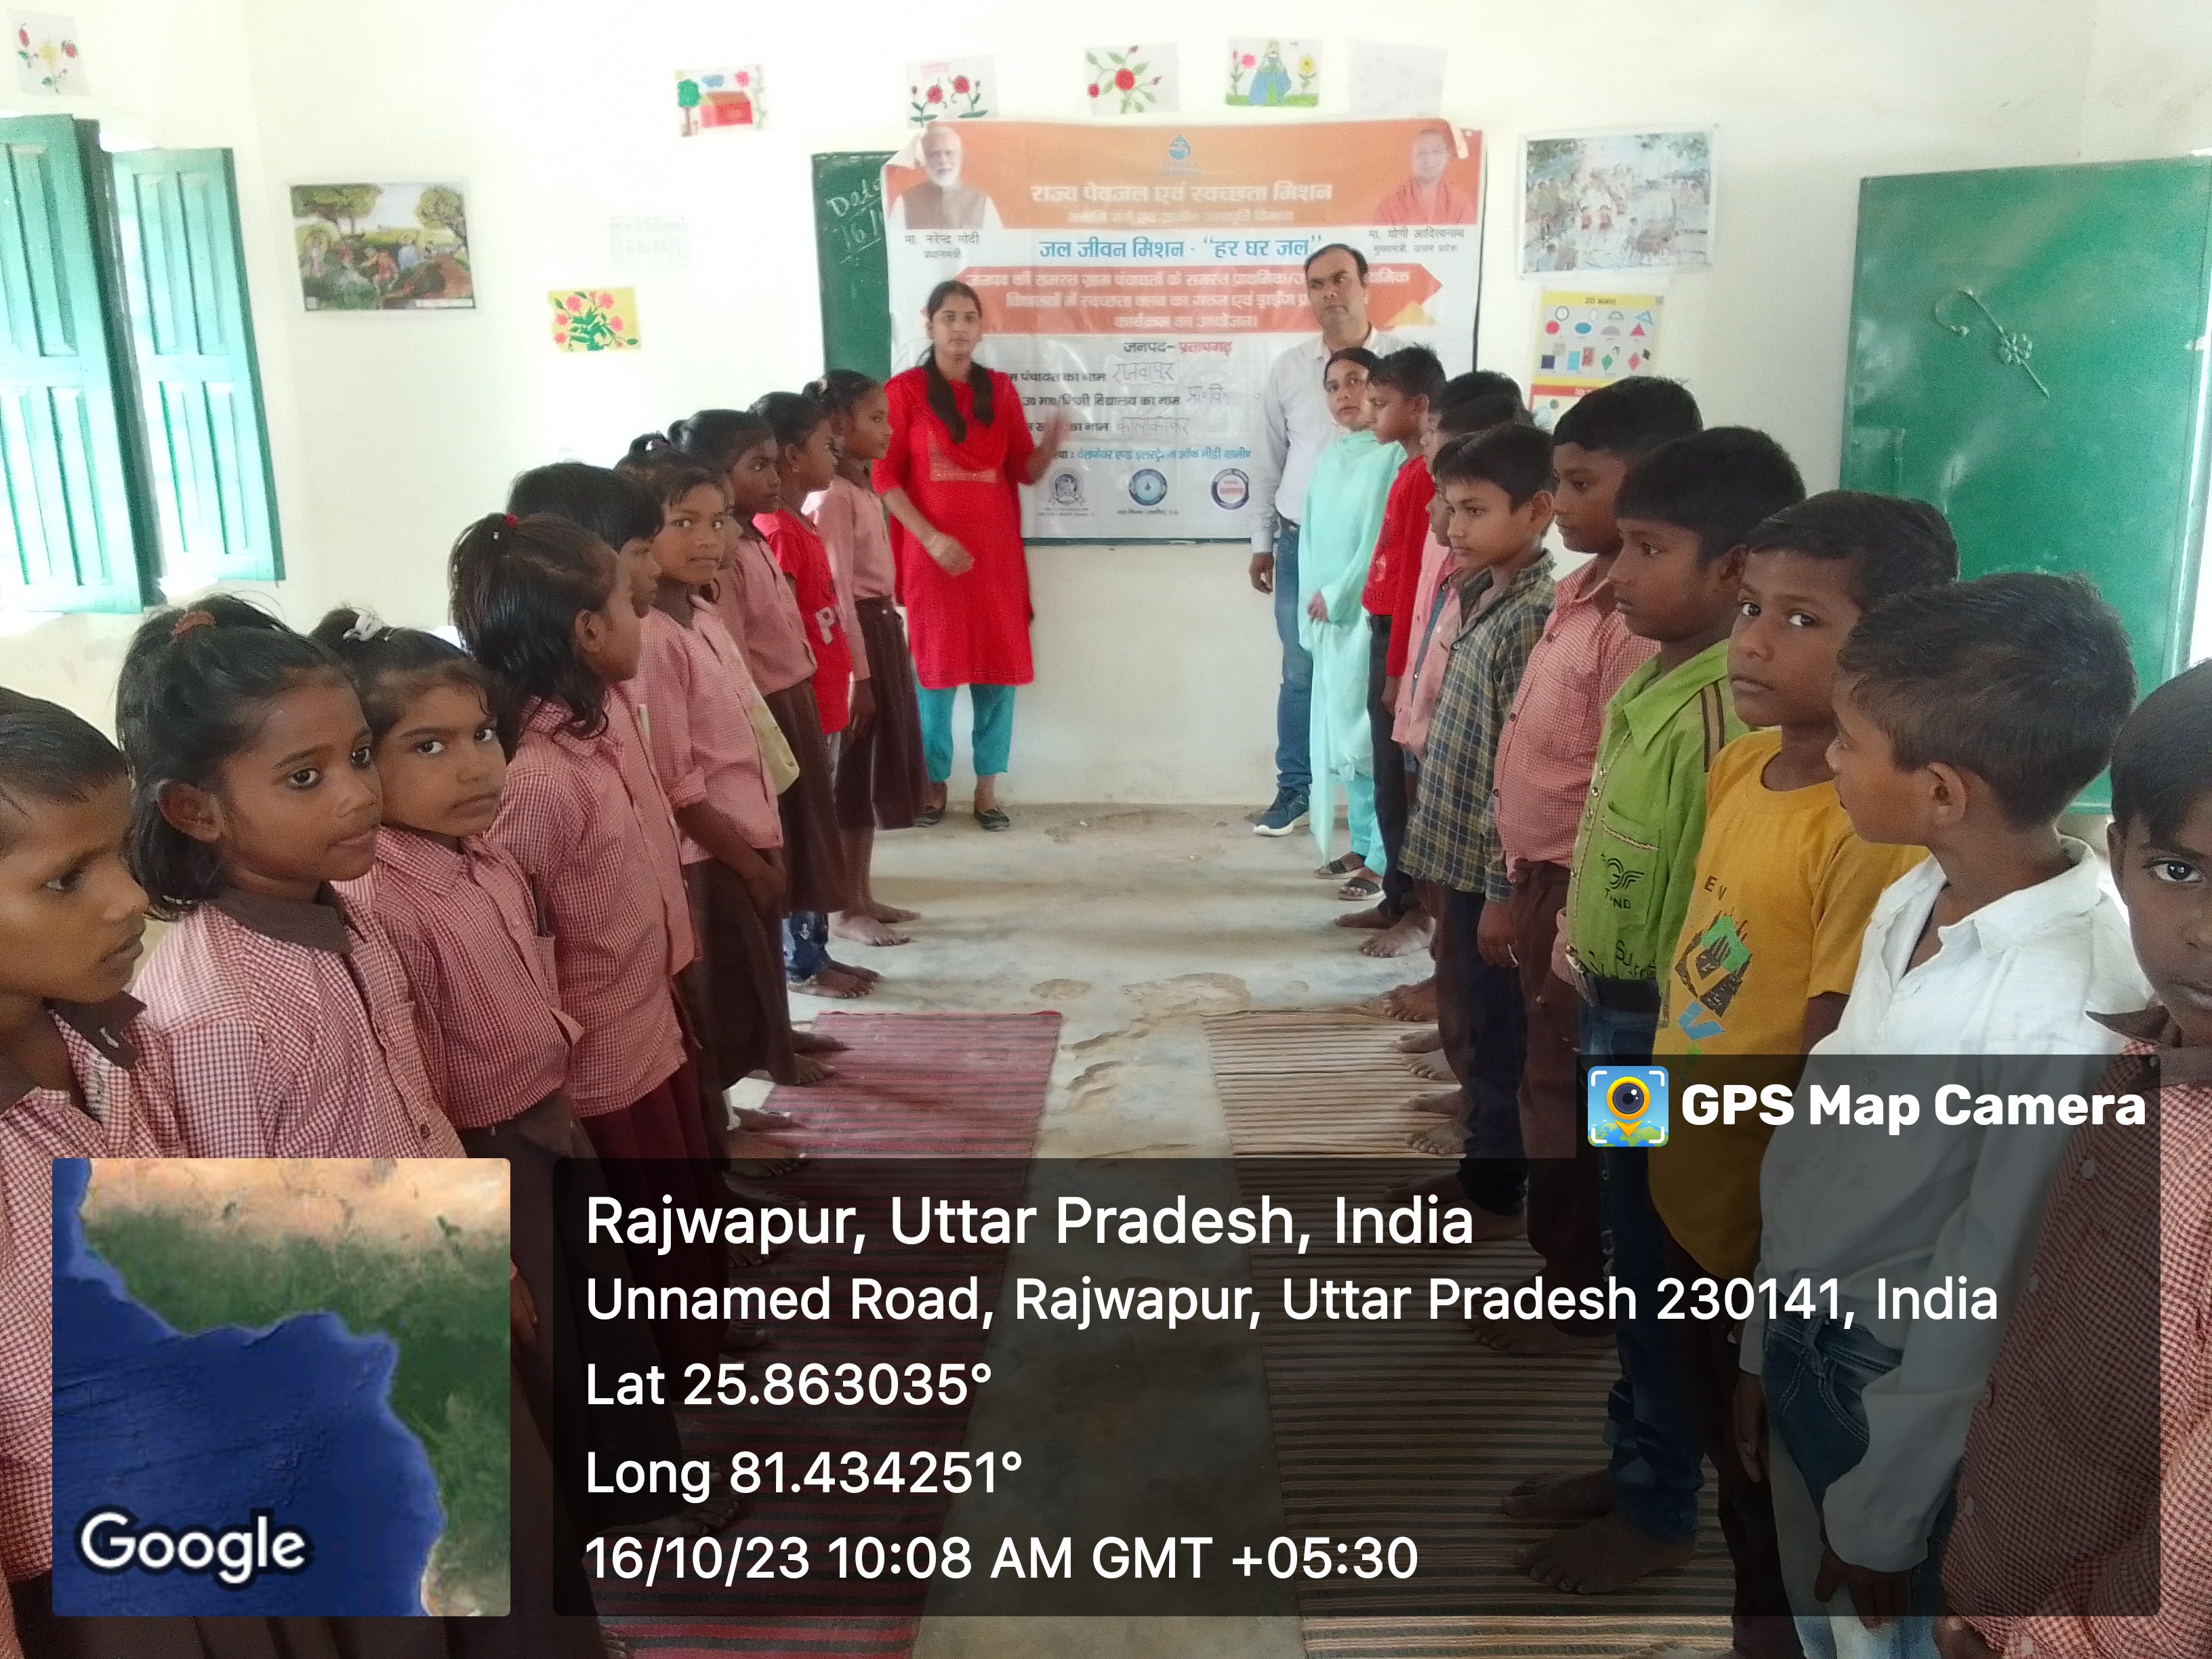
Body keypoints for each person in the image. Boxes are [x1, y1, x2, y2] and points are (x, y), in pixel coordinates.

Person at [1736, 573, 2144, 1656]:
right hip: (1807, 1332)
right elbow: (1817, 1143)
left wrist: (1887, 1511)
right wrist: (1762, 1343)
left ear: (1944, 792)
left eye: (1852, 742)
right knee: (1818, 1613)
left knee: (1877, 1624)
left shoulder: (2071, 1010)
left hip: (1895, 1392)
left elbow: (1988, 1285)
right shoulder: (1915, 893)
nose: (1831, 757)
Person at [311, 611, 715, 1551]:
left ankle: (641, 1491)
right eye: (428, 747)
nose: (473, 767)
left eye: (483, 735)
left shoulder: (485, 857)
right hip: (485, 1155)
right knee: (547, 1349)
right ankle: (593, 1521)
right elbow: (413, 1080)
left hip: (547, 1118)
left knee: (601, 1322)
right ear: (365, 764)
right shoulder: (381, 903)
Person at [1643, 493, 1959, 1659]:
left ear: (1891, 649)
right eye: (1747, 610)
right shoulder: (1738, 767)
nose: (1752, 643)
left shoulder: (1862, 827)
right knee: (1702, 1423)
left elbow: (1821, 1076)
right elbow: (1699, 972)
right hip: (1678, 1162)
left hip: (1761, 1224)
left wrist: (1772, 1269)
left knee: (1765, 1477)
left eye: (1799, 619)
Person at [1512, 426, 1805, 1598]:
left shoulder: (1723, 715)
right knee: (1631, 1247)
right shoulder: (1650, 678)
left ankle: (1658, 1502)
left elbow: (1709, 908)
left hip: (1663, 1039)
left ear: (1729, 568)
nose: (1619, 571)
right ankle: (1636, 1454)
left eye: (1647, 548)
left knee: (1659, 1263)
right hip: (1614, 1018)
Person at [1937, 660, 2212, 1659]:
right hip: (2009, 1566)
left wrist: (2046, 1645)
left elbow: (2191, 1576)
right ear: (2119, 852)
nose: (2205, 932)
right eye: (2177, 871)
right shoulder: (2137, 1056)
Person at [450, 510, 755, 1372]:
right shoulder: (537, 779)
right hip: (598, 1058)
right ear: (588, 630)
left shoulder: (593, 727)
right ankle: (673, 1366)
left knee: (681, 1209)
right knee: (643, 1230)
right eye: (627, 601)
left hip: (645, 1020)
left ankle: (701, 1338)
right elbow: (512, 931)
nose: (642, 613)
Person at [1473, 375, 1697, 1357]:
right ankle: (1571, 1271)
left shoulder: (1639, 633)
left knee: (1588, 1105)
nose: (1560, 502)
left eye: (1579, 483)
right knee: (1553, 1086)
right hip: (1551, 891)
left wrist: (1564, 917)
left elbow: (1620, 796)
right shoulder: (1581, 594)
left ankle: (1584, 1287)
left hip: (1592, 903)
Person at [111, 597, 464, 1161]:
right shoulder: (218, 1018)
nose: (360, 795)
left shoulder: (350, 917)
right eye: (304, 777)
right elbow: (242, 1211)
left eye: (360, 756)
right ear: (195, 811)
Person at [1390, 424, 1559, 1242]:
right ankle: (1484, 1162)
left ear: (1536, 511)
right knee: (1478, 1016)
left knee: (1505, 1033)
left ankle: (1494, 1192)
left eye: (1475, 509)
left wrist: (1500, 890)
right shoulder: (1478, 591)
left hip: (1495, 869)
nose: (1454, 527)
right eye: (1449, 507)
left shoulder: (1532, 617)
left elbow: (1517, 769)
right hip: (1456, 853)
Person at [644, 412, 869, 999]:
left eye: (716, 520)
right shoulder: (720, 573)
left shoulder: (753, 542)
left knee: (802, 841)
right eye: (758, 465)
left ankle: (811, 956)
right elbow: (735, 672)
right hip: (761, 714)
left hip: (789, 705)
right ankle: (801, 964)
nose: (774, 477)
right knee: (780, 849)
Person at [626, 462, 832, 1094]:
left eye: (718, 522)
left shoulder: (700, 613)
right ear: (642, 537)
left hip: (744, 825)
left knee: (753, 964)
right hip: (708, 848)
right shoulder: (654, 639)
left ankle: (774, 1045)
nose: (707, 539)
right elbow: (677, 782)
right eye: (683, 523)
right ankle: (724, 1117)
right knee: (717, 988)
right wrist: (747, 863)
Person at [875, 279, 1070, 831]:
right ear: (929, 324)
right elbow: (883, 477)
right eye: (949, 318)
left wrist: (1051, 445)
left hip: (994, 560)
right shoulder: (904, 392)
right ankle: (934, 783)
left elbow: (1022, 470)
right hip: (931, 559)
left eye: (969, 318)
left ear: (981, 328)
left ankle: (987, 791)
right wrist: (931, 539)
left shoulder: (1000, 391)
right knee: (933, 677)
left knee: (997, 675)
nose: (959, 329)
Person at [1247, 243, 1395, 838]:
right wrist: (1261, 542)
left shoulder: (1402, 364)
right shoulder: (1290, 369)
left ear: (1366, 283)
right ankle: (1295, 791)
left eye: (1340, 279)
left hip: (1374, 546)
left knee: (1369, 672)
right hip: (1299, 541)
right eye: (1316, 284)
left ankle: (1375, 814)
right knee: (1301, 670)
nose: (1329, 292)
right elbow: (1269, 459)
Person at [754, 391, 872, 989]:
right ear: (793, 455)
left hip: (821, 698)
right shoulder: (776, 532)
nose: (837, 453)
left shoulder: (801, 523)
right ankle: (800, 961)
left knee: (817, 828)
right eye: (827, 445)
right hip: (793, 703)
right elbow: (776, 628)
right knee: (800, 832)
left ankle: (816, 951)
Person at [809, 369, 928, 945]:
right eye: (876, 418)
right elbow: (836, 590)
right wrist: (859, 675)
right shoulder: (834, 496)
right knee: (850, 779)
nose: (888, 430)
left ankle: (861, 894)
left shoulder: (861, 488)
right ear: (838, 425)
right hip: (857, 636)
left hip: (880, 627)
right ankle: (841, 910)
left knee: (872, 773)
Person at [1340, 344, 1447, 956]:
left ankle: (1418, 913)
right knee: (1387, 776)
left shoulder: (1427, 476)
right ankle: (1396, 898)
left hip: (1403, 643)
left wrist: (1399, 669)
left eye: (1381, 403)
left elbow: (1415, 583)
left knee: (1407, 784)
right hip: (1386, 633)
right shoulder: (1405, 469)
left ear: (1419, 406)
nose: (1371, 413)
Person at [1297, 346, 1398, 891]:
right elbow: (1310, 537)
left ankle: (1383, 856)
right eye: (1333, 386)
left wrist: (1339, 594)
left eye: (1356, 381)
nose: (1344, 395)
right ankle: (1361, 842)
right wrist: (1312, 604)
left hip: (1365, 613)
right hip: (1328, 620)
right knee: (1342, 740)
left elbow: (1378, 537)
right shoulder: (1331, 457)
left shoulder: (1391, 456)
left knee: (1368, 740)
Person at [887, 121, 1002, 231]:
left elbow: (996, 243)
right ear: (925, 159)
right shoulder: (904, 202)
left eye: (949, 153)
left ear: (960, 156)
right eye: (934, 154)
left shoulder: (982, 202)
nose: (943, 160)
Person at [1373, 125, 1479, 224]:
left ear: (1447, 158)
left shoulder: (1460, 204)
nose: (1428, 159)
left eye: (1436, 152)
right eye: (1421, 152)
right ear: (1411, 158)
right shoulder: (1391, 204)